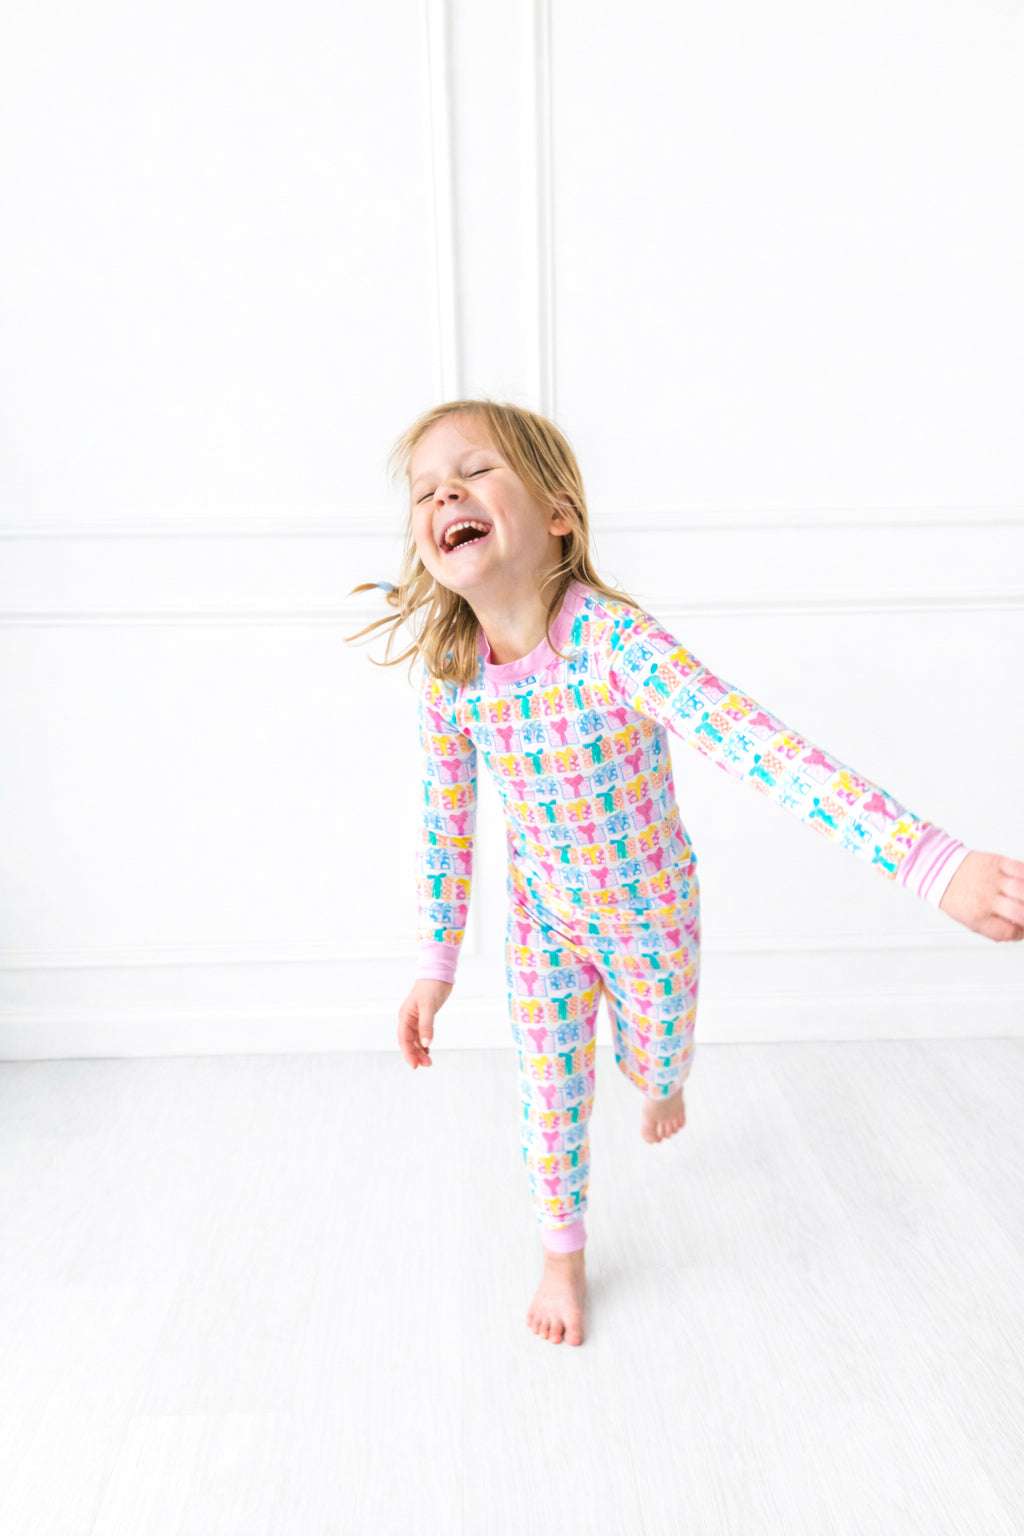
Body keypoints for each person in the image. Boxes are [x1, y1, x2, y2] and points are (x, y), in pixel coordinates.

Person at [346, 398, 1024, 1349]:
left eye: (476, 470)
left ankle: (661, 1079)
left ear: (557, 515)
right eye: (424, 489)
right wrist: (435, 962)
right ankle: (561, 1255)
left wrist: (930, 862)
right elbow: (445, 829)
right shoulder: (452, 678)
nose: (444, 492)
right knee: (547, 1091)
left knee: (657, 1053)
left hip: (652, 915)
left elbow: (760, 747)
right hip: (545, 924)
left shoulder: (618, 646)